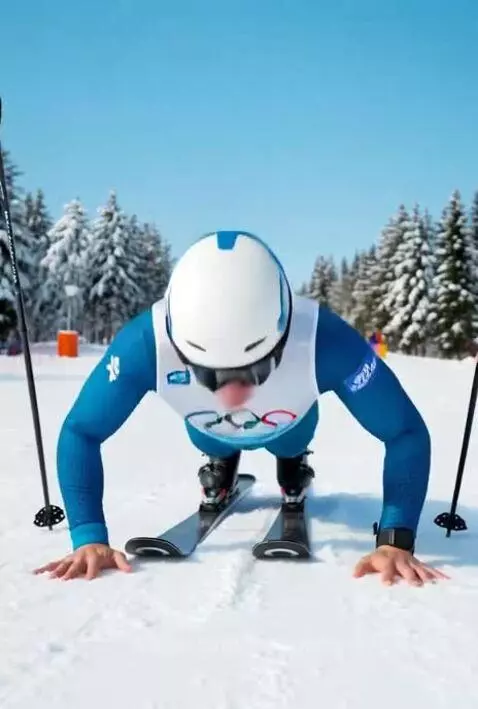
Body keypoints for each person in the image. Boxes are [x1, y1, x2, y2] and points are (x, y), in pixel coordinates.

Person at [35, 230, 448, 586]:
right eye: (208, 375)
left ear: (284, 334)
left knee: (289, 436)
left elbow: (404, 431)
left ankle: (291, 468)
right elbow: (82, 431)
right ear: (178, 344)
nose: (232, 393)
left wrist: (395, 541)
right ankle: (222, 460)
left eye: (254, 370)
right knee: (211, 428)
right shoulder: (145, 343)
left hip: (288, 425)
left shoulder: (326, 340)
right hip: (207, 428)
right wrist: (88, 534)